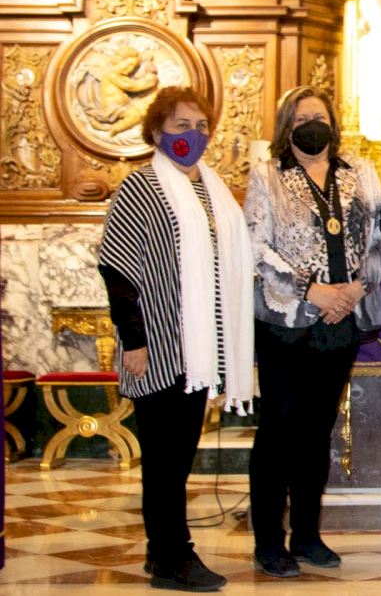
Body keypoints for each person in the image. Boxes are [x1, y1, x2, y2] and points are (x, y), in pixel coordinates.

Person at [98, 86, 254, 592]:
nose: (193, 135)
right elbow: (117, 269)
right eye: (182, 125)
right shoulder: (141, 188)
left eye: (202, 126)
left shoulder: (212, 188)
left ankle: (159, 551)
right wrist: (134, 341)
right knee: (164, 462)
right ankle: (173, 557)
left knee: (178, 459)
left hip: (198, 350)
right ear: (157, 131)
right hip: (158, 347)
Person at [243, 86, 381, 577]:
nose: (313, 125)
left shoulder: (359, 172)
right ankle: (269, 540)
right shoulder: (267, 175)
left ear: (333, 124)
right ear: (287, 126)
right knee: (279, 430)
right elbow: (256, 245)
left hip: (343, 317)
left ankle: (307, 534)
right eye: (302, 118)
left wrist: (356, 288)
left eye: (320, 117)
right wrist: (312, 290)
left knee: (316, 430)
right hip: (286, 320)